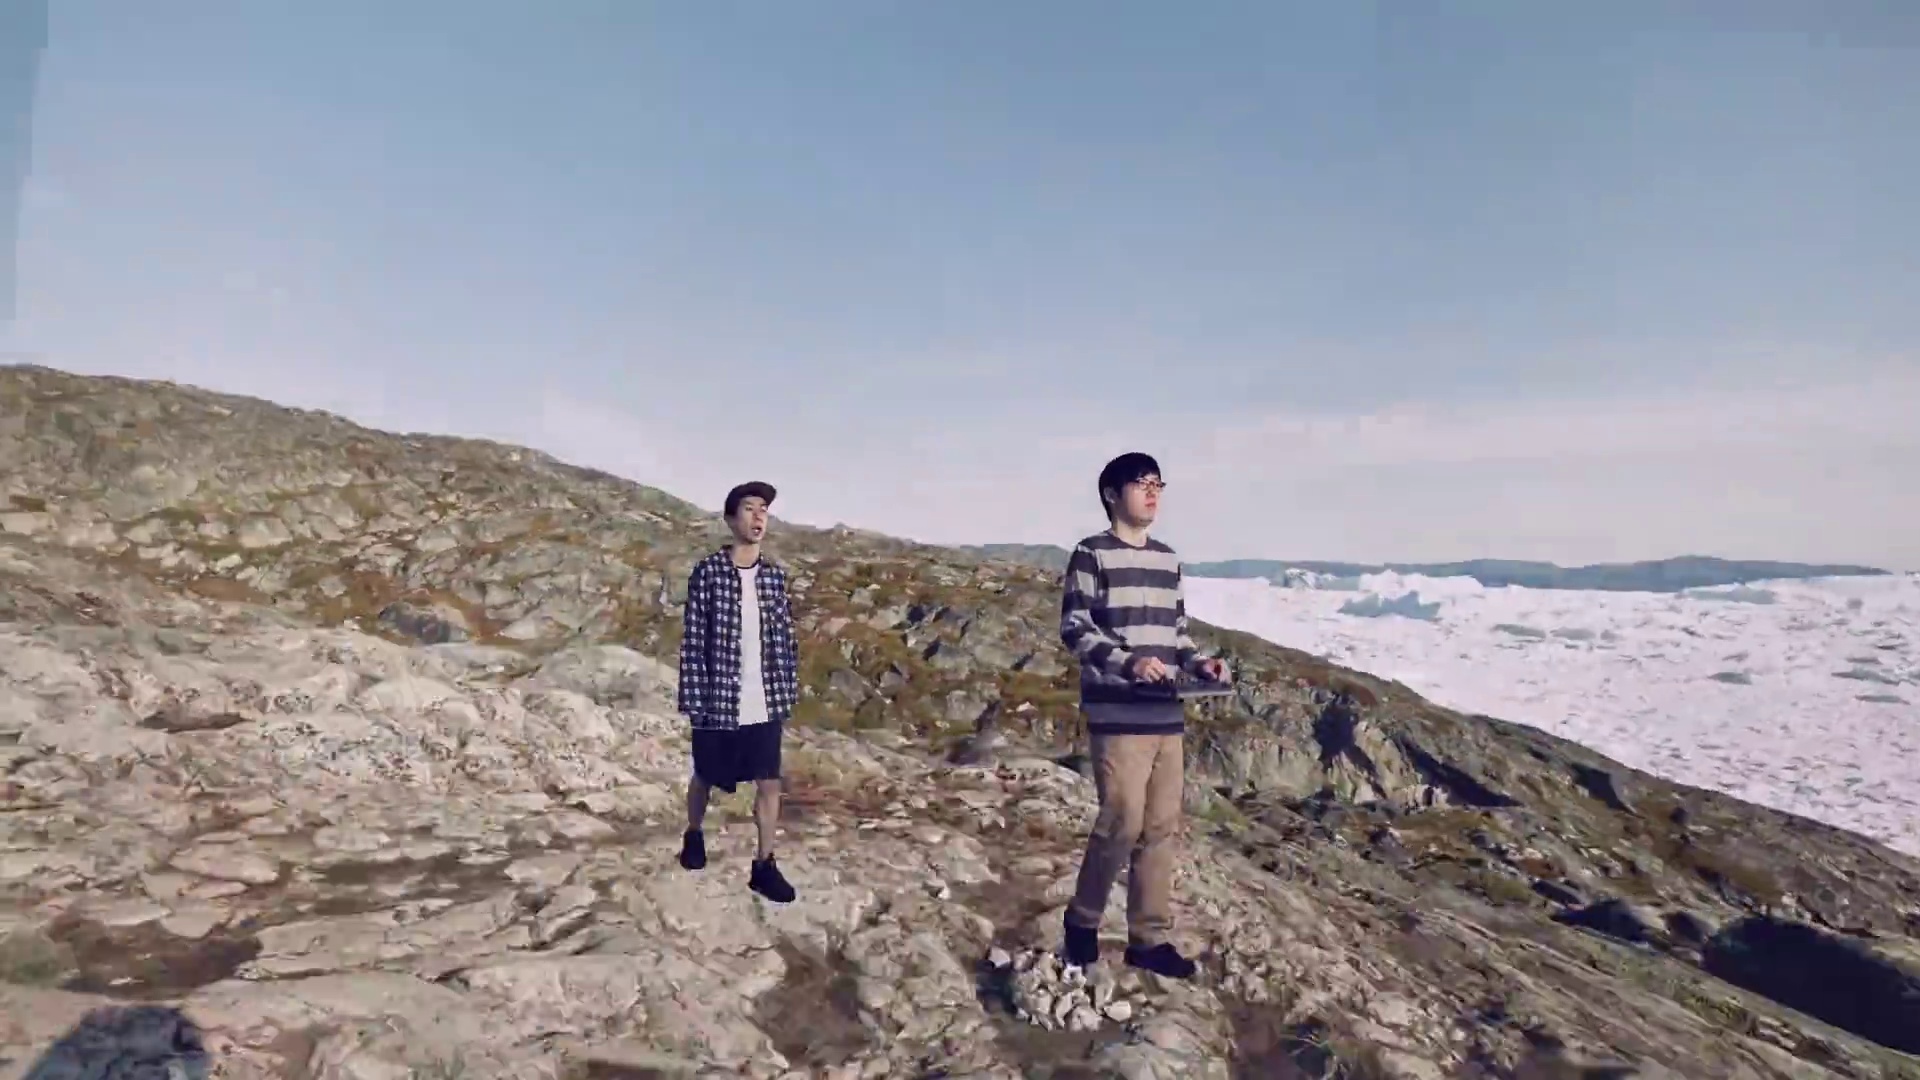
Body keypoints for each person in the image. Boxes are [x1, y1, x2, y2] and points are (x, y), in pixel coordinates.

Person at [1057, 452, 1229, 978]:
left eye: (1158, 483)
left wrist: (1200, 664)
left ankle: (1148, 940)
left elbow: (1176, 635)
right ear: (1112, 494)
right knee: (1121, 821)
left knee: (1159, 827)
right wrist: (1128, 663)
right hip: (1117, 713)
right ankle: (1082, 921)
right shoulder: (1091, 554)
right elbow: (1075, 628)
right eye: (1141, 483)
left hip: (1166, 714)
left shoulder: (1167, 559)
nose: (1152, 493)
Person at [674, 480, 800, 903]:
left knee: (769, 782)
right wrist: (695, 700)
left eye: (764, 509)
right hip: (718, 697)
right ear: (731, 519)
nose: (759, 516)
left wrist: (785, 690)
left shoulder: (774, 577)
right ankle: (694, 834)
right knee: (705, 774)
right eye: (749, 508)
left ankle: (764, 865)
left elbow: (784, 639)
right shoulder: (708, 572)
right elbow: (694, 639)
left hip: (763, 699)